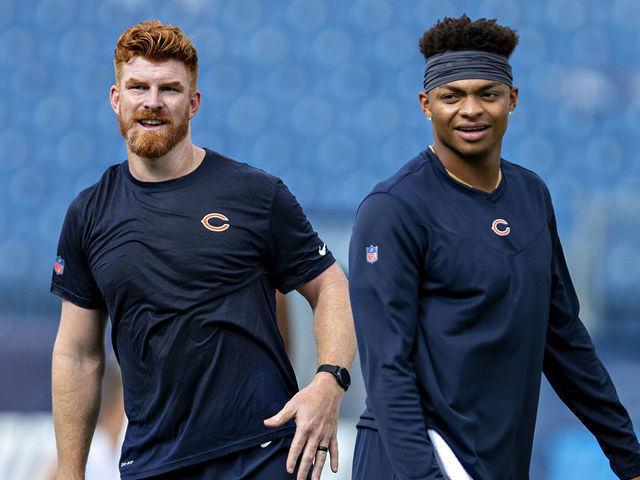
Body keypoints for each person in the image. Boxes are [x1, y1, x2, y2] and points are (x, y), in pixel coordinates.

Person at [50, 20, 356, 480]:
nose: (152, 102)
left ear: (193, 104)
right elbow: (78, 354)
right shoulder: (88, 214)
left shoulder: (256, 194)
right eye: (138, 87)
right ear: (117, 99)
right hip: (153, 464)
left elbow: (330, 284)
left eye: (169, 89)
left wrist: (329, 381)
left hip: (265, 454)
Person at [348, 14, 640, 480]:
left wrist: (628, 456)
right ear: (426, 104)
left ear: (512, 99)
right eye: (451, 96)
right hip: (414, 460)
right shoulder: (392, 208)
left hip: (498, 462)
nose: (470, 110)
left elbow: (563, 339)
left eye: (487, 93)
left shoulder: (532, 195)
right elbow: (387, 368)